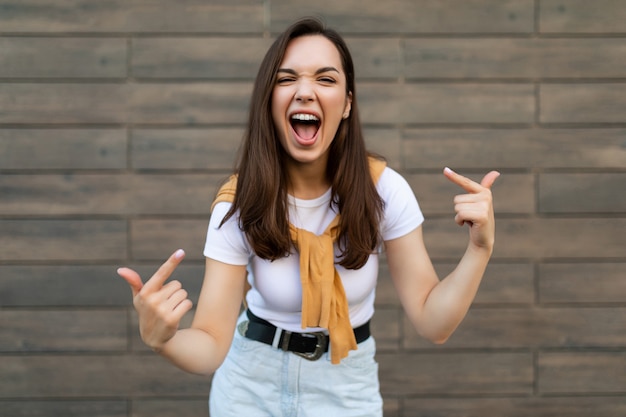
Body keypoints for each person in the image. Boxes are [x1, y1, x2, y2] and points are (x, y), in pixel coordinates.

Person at [117, 17, 500, 416]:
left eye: (326, 79)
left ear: (348, 103)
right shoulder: (239, 202)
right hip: (250, 388)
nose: (304, 92)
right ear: (269, 100)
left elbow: (433, 322)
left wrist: (479, 249)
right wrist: (162, 338)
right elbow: (212, 344)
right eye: (287, 79)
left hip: (346, 387)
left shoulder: (383, 191)